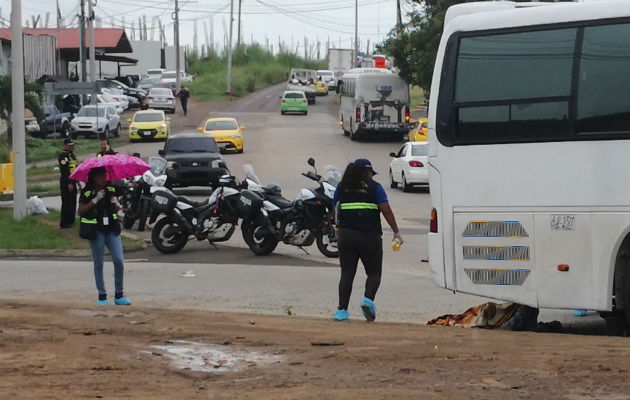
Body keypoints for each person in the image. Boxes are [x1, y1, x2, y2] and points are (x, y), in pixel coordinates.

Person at [333, 159, 403, 322]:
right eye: (371, 173)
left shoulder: (341, 187)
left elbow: (334, 207)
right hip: (369, 236)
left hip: (346, 236)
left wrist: (338, 227)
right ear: (367, 172)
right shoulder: (375, 187)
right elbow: (385, 209)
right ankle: (368, 300)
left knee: (347, 274)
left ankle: (342, 311)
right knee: (373, 273)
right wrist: (396, 231)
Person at [78, 167, 132, 306]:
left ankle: (119, 294)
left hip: (112, 229)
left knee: (119, 260)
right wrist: (95, 200)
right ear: (94, 177)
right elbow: (81, 211)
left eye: (105, 175)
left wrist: (116, 204)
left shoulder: (111, 189)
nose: (103, 178)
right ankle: (102, 295)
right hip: (96, 231)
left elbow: (116, 209)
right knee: (99, 263)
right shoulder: (87, 192)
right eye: (100, 176)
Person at [58, 138, 78, 229]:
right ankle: (64, 222)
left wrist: (77, 181)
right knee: (66, 202)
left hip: (73, 180)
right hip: (66, 181)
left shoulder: (72, 155)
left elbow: (75, 168)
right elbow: (65, 170)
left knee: (73, 201)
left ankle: (71, 220)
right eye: (70, 145)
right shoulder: (63, 155)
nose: (72, 147)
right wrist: (69, 182)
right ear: (65, 146)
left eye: (73, 145)